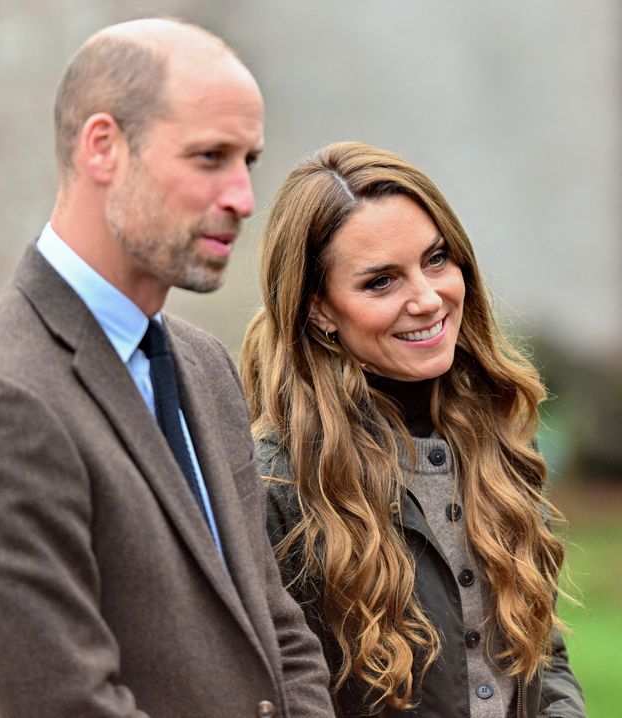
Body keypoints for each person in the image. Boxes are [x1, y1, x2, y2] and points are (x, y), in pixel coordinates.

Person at [0, 19, 333, 718]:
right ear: (103, 147)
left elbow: (280, 633)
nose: (242, 199)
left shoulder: (202, 366)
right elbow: (67, 703)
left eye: (247, 161)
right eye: (208, 157)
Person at [240, 141, 586, 717]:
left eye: (436, 259)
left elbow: (541, 660)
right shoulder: (276, 487)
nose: (426, 299)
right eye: (381, 282)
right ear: (319, 310)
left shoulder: (496, 446)